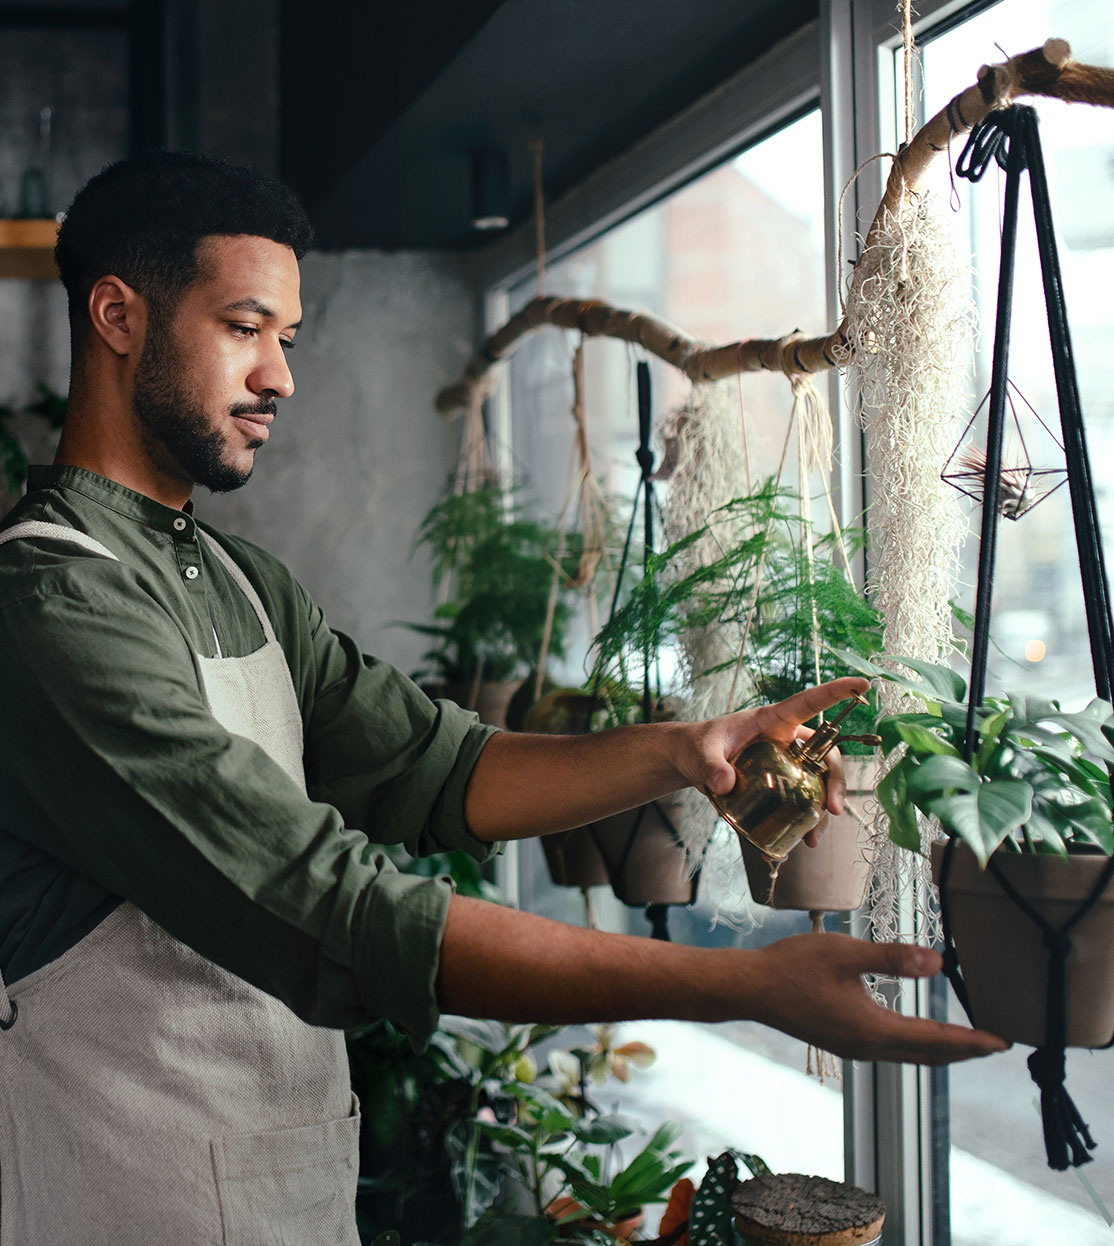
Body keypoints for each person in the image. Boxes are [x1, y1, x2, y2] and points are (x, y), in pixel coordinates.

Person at [0, 152, 1006, 1244]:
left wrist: (680, 750)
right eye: (245, 327)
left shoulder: (243, 581)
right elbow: (336, 911)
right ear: (117, 315)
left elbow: (440, 767)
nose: (280, 376)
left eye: (285, 339)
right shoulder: (48, 603)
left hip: (286, 1197)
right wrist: (744, 987)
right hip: (119, 1204)